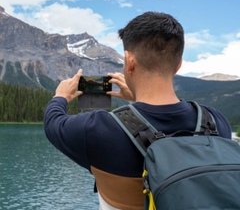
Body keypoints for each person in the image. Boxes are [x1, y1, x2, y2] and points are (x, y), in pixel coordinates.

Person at [44, 12, 232, 210]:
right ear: (178, 65)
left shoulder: (95, 130)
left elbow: (52, 123)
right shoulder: (215, 121)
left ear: (129, 60)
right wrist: (136, 98)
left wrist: (61, 96)